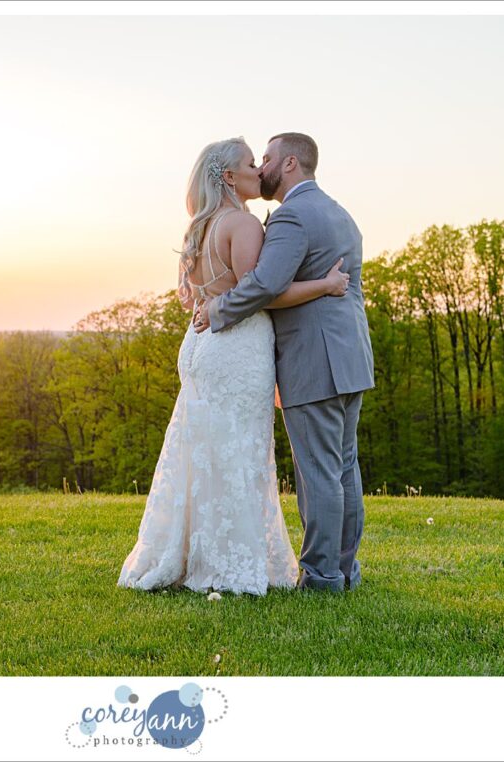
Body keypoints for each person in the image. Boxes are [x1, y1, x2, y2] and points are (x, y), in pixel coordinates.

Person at [117, 136, 351, 595]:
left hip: (199, 345)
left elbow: (197, 296)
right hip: (237, 347)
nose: (258, 171)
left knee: (201, 454)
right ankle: (229, 565)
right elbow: (263, 291)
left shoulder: (199, 229)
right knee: (239, 456)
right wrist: (324, 284)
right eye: (250, 163)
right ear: (229, 177)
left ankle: (184, 556)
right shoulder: (242, 226)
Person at [193, 132, 375, 593]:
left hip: (315, 361)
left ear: (290, 163)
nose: (262, 168)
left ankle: (321, 577)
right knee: (343, 468)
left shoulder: (293, 216)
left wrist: (216, 311)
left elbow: (264, 286)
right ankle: (346, 571)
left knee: (318, 474)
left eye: (268, 159)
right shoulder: (340, 212)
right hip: (351, 357)